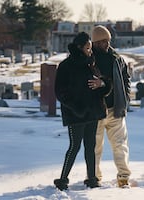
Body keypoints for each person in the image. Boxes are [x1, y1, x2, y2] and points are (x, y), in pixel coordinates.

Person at [54, 31, 111, 191]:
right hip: (76, 114)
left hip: (92, 112)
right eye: (87, 48)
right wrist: (77, 107)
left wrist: (102, 84)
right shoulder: (66, 66)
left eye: (90, 48)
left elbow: (102, 83)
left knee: (90, 146)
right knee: (75, 146)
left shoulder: (90, 63)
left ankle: (92, 178)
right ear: (79, 48)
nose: (90, 51)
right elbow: (60, 92)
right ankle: (63, 179)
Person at [91, 25, 132, 188]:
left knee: (120, 146)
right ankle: (94, 177)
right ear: (94, 42)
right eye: (102, 42)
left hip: (115, 109)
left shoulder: (116, 58)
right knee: (95, 148)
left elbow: (126, 79)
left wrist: (125, 98)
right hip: (96, 111)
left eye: (107, 40)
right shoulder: (88, 59)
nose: (106, 44)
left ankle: (123, 177)